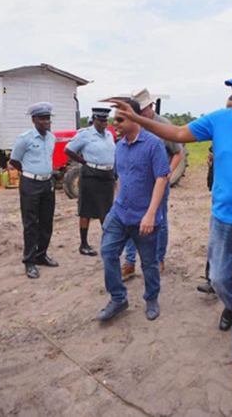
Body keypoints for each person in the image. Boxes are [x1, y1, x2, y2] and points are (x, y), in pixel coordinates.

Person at [109, 63, 232, 396]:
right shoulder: (221, 120)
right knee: (218, 280)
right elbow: (177, 134)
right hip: (224, 220)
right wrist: (139, 119)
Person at [96, 99, 170, 323]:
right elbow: (120, 177)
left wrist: (150, 214)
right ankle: (118, 299)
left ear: (134, 118)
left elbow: (162, 178)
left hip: (144, 217)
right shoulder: (120, 146)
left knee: (149, 262)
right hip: (119, 214)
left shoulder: (153, 144)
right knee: (108, 253)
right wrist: (117, 203)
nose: (114, 123)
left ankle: (151, 299)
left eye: (119, 119)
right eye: (113, 119)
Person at [122, 89, 183, 279]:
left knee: (160, 222)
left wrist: (166, 177)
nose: (141, 114)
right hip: (137, 184)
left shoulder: (163, 125)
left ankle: (159, 259)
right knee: (132, 221)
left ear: (150, 106)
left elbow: (178, 153)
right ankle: (130, 262)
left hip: (158, 184)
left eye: (143, 109)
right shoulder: (133, 125)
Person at [9, 102, 59, 279]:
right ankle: (29, 262)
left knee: (47, 222)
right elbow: (14, 160)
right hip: (30, 183)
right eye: (42, 118)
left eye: (48, 118)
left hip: (47, 183)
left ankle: (41, 255)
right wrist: (28, 171)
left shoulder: (52, 138)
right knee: (31, 224)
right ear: (34, 119)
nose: (46, 121)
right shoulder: (25, 138)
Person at [198, 93, 232, 295]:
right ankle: (211, 279)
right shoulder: (220, 133)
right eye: (227, 108)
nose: (229, 113)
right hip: (221, 197)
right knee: (217, 241)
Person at [65, 107, 117, 257]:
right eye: (100, 120)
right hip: (91, 175)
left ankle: (107, 242)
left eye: (105, 120)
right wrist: (84, 162)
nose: (103, 123)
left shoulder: (108, 135)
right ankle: (84, 244)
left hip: (107, 175)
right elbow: (68, 150)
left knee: (106, 209)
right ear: (94, 119)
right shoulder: (85, 135)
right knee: (86, 210)